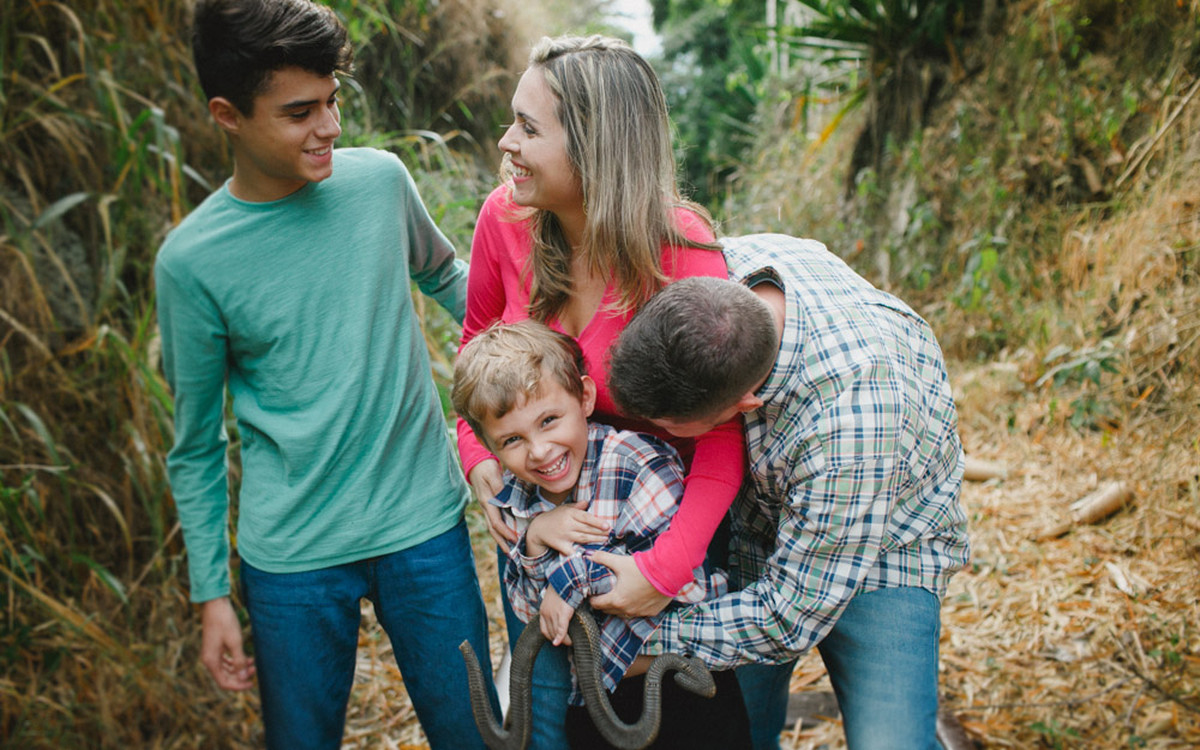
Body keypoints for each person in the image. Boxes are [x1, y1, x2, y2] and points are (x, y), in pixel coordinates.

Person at [154, 0, 496, 747]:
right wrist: (212, 593)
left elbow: (448, 278)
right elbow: (197, 442)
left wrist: (556, 328)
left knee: (476, 734)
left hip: (423, 526)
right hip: (293, 560)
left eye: (333, 101)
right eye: (301, 111)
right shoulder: (192, 263)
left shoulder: (378, 184)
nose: (331, 127)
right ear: (227, 114)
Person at [456, 34, 747, 749]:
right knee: (557, 720)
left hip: (662, 526)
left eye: (528, 128)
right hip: (545, 525)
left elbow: (719, 431)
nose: (505, 142)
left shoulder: (679, 247)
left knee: (688, 718)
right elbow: (474, 344)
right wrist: (484, 467)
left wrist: (660, 569)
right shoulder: (505, 218)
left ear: (593, 145)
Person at [601, 233, 972, 750]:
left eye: (667, 426)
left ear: (746, 402)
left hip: (888, 548)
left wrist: (642, 639)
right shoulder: (724, 269)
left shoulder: (849, 424)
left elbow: (788, 614)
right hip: (760, 524)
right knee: (739, 730)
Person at [452, 320, 752, 749]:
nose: (539, 451)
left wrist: (570, 580)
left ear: (586, 398)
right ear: (490, 446)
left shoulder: (635, 461)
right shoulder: (518, 498)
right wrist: (535, 539)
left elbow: (666, 581)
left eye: (550, 420)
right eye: (513, 439)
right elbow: (530, 611)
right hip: (597, 695)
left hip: (681, 679)